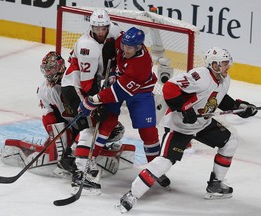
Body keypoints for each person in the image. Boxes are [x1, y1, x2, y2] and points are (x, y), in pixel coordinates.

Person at [115, 47, 258, 213]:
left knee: (230, 141)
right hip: (180, 126)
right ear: (214, 65)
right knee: (165, 162)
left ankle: (215, 185)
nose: (228, 66)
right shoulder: (200, 76)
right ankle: (132, 195)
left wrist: (240, 106)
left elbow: (219, 98)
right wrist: (184, 108)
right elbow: (169, 88)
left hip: (202, 124)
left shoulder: (224, 80)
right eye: (224, 63)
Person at [78, 27, 171, 189]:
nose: (125, 50)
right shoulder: (124, 42)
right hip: (121, 84)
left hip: (140, 93)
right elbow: (116, 44)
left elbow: (118, 92)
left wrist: (93, 100)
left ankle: (156, 169)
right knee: (107, 122)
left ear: (139, 47)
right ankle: (90, 161)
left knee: (148, 131)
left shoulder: (141, 65)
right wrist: (114, 69)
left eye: (130, 48)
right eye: (124, 46)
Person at [61, 8, 124, 195]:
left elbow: (124, 45)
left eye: (103, 28)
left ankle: (74, 153)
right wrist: (97, 103)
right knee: (91, 122)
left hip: (92, 82)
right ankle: (80, 171)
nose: (100, 32)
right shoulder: (87, 46)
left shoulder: (114, 30)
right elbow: (87, 84)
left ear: (108, 25)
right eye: (97, 29)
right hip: (76, 86)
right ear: (91, 27)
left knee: (96, 121)